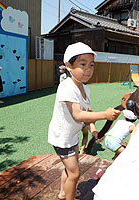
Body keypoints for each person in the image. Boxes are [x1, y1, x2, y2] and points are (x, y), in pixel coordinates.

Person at [48, 42, 120, 200]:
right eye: (83, 64)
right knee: (74, 173)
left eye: (91, 65)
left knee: (69, 169)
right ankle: (69, 196)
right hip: (62, 138)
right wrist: (105, 115)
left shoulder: (85, 88)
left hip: (71, 136)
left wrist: (93, 130)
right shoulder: (67, 87)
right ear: (68, 66)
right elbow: (78, 115)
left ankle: (63, 193)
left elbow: (87, 113)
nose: (88, 69)